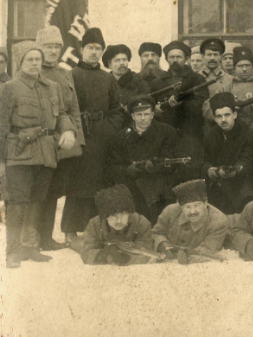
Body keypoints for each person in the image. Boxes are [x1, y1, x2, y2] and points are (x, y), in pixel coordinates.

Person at [0, 41, 76, 267]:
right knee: (17, 202)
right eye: (30, 60)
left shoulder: (52, 87)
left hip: (46, 155)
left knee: (37, 201)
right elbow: (2, 125)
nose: (35, 63)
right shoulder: (10, 88)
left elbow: (62, 114)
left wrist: (68, 130)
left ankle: (30, 247)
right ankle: (13, 251)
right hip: (19, 154)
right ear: (20, 63)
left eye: (38, 59)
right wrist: (1, 160)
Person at [65, 27, 121, 242]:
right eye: (90, 47)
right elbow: (65, 108)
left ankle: (96, 230)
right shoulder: (71, 75)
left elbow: (117, 110)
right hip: (80, 136)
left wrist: (108, 128)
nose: (94, 52)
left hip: (102, 137)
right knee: (77, 183)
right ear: (81, 49)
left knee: (100, 183)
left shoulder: (108, 78)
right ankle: (71, 230)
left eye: (98, 48)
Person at [33, 25, 83, 251]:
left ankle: (46, 238)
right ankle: (32, 240)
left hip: (64, 141)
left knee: (54, 190)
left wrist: (78, 140)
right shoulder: (32, 72)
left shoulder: (65, 73)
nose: (53, 51)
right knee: (38, 191)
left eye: (56, 46)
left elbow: (73, 109)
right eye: (48, 46)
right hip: (40, 142)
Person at [105, 95, 182, 223]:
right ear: (132, 116)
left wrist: (154, 166)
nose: (143, 118)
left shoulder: (166, 132)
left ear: (152, 115)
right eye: (139, 114)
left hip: (160, 189)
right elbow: (112, 167)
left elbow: (173, 162)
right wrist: (127, 170)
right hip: (132, 189)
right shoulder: (120, 137)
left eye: (146, 114)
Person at [152, 40, 209, 183]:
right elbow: (151, 106)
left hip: (190, 134)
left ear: (186, 59)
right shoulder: (157, 82)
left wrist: (181, 103)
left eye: (179, 57)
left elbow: (200, 105)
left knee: (190, 173)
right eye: (171, 57)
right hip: (165, 135)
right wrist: (155, 109)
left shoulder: (197, 79)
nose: (175, 60)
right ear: (166, 59)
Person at [202, 92, 253, 215]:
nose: (223, 120)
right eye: (219, 116)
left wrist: (233, 171)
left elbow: (246, 161)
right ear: (214, 118)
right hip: (217, 183)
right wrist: (211, 170)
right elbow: (204, 160)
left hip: (240, 183)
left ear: (235, 114)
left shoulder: (249, 134)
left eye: (227, 115)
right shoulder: (211, 135)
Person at [152, 179, 229, 263]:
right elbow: (156, 233)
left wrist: (188, 255)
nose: (192, 211)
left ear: (205, 203)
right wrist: (162, 244)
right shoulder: (170, 212)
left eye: (197, 205)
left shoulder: (218, 221)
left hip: (201, 262)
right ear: (180, 207)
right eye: (187, 207)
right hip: (167, 260)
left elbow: (207, 249)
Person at [81, 184, 156, 266]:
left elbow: (147, 254)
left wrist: (126, 257)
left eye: (123, 214)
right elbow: (86, 252)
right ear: (105, 215)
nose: (119, 221)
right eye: (114, 215)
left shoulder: (141, 224)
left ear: (129, 212)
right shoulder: (94, 224)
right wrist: (103, 255)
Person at [218, 46, 253, 126]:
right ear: (234, 68)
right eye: (240, 66)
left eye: (247, 65)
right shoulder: (226, 88)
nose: (244, 69)